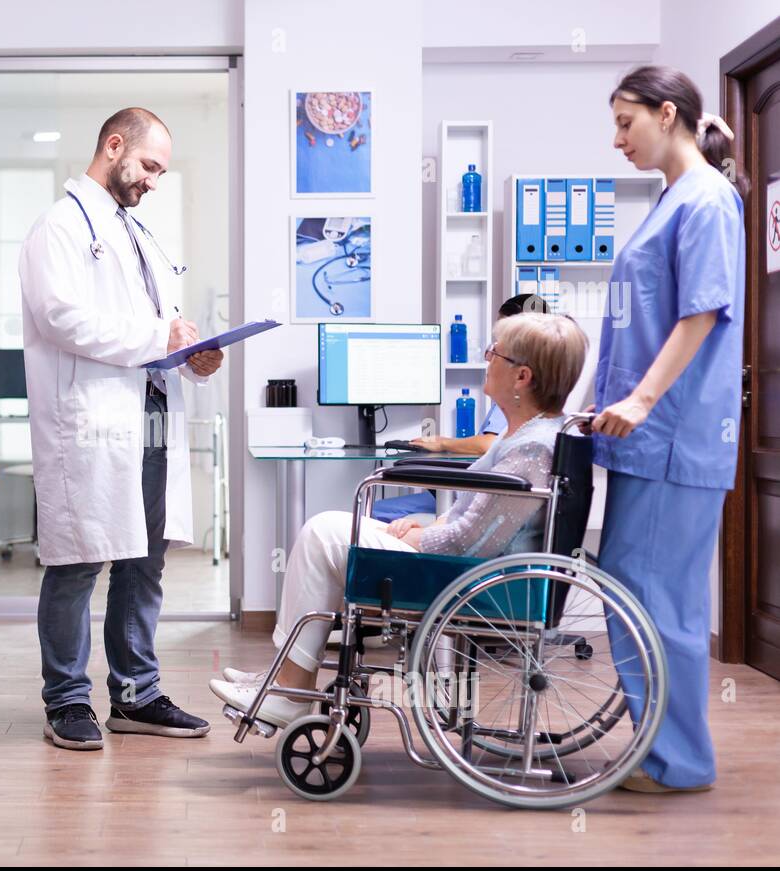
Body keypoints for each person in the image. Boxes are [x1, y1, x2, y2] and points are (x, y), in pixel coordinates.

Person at [210, 312, 588, 726]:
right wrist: (428, 527)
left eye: (494, 353)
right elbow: (478, 522)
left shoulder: (531, 448)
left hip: (469, 579)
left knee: (324, 533)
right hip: (463, 564)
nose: (486, 359)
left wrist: (419, 539)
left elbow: (475, 544)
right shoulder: (525, 436)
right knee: (330, 526)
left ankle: (290, 687)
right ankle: (285, 676)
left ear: (522, 377)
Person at [18, 107, 223, 750]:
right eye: (150, 167)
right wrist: (158, 337)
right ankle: (67, 700)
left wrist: (194, 356)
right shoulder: (59, 227)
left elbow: (162, 325)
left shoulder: (137, 234)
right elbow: (60, 318)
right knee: (78, 559)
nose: (154, 182)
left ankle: (136, 693)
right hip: (94, 420)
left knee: (145, 555)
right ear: (114, 146)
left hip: (152, 413)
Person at [589, 66, 746, 794]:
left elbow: (703, 313)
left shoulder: (706, 202)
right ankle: (661, 748)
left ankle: (679, 762)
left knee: (660, 600)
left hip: (671, 438)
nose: (617, 138)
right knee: (636, 589)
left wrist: (645, 402)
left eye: (627, 122)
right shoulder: (674, 199)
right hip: (643, 440)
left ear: (668, 112)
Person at [371, 293, 544, 522]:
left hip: (471, 499)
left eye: (497, 348)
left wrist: (443, 443)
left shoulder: (519, 401)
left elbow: (488, 443)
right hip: (472, 497)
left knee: (362, 514)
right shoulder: (528, 408)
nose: (488, 356)